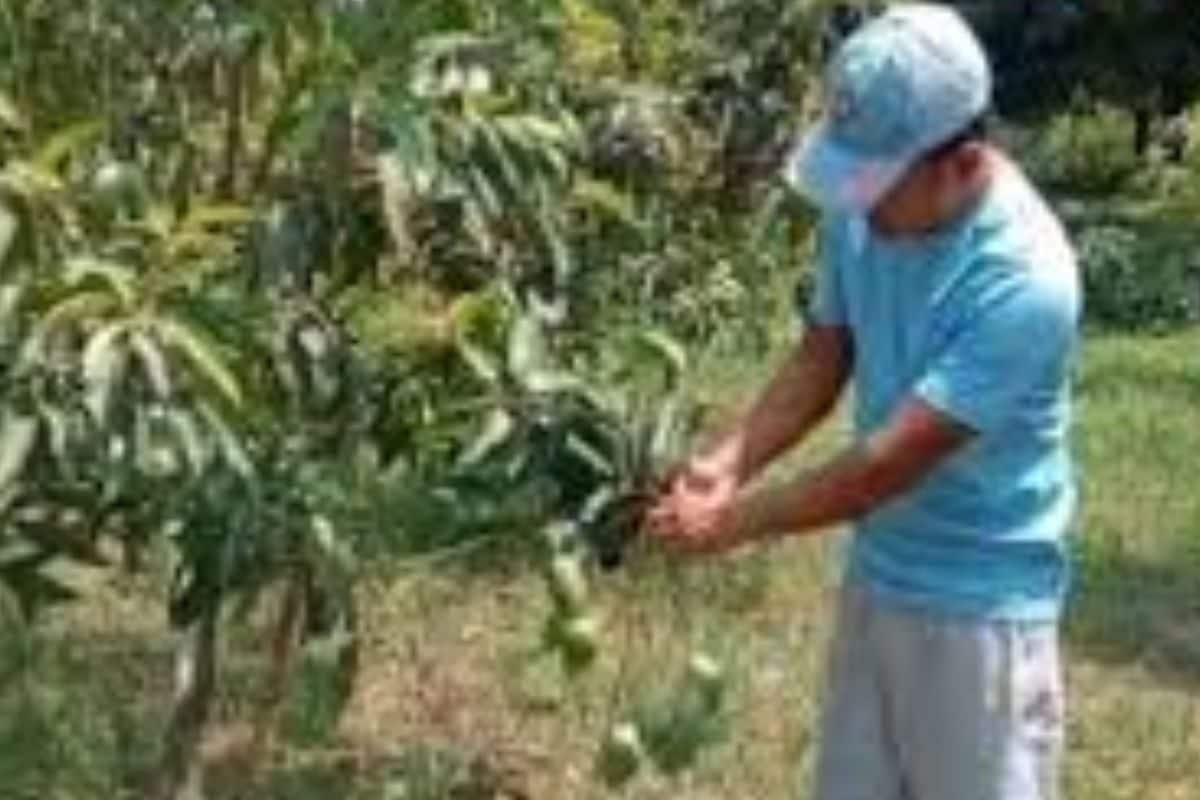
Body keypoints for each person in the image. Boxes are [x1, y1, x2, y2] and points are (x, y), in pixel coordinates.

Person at [647, 4, 1080, 799]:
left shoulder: (1026, 280)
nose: (859, 202)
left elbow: (885, 466)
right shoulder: (862, 213)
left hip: (981, 611)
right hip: (881, 577)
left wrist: (732, 523)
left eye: (878, 181)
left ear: (963, 161)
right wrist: (727, 460)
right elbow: (823, 356)